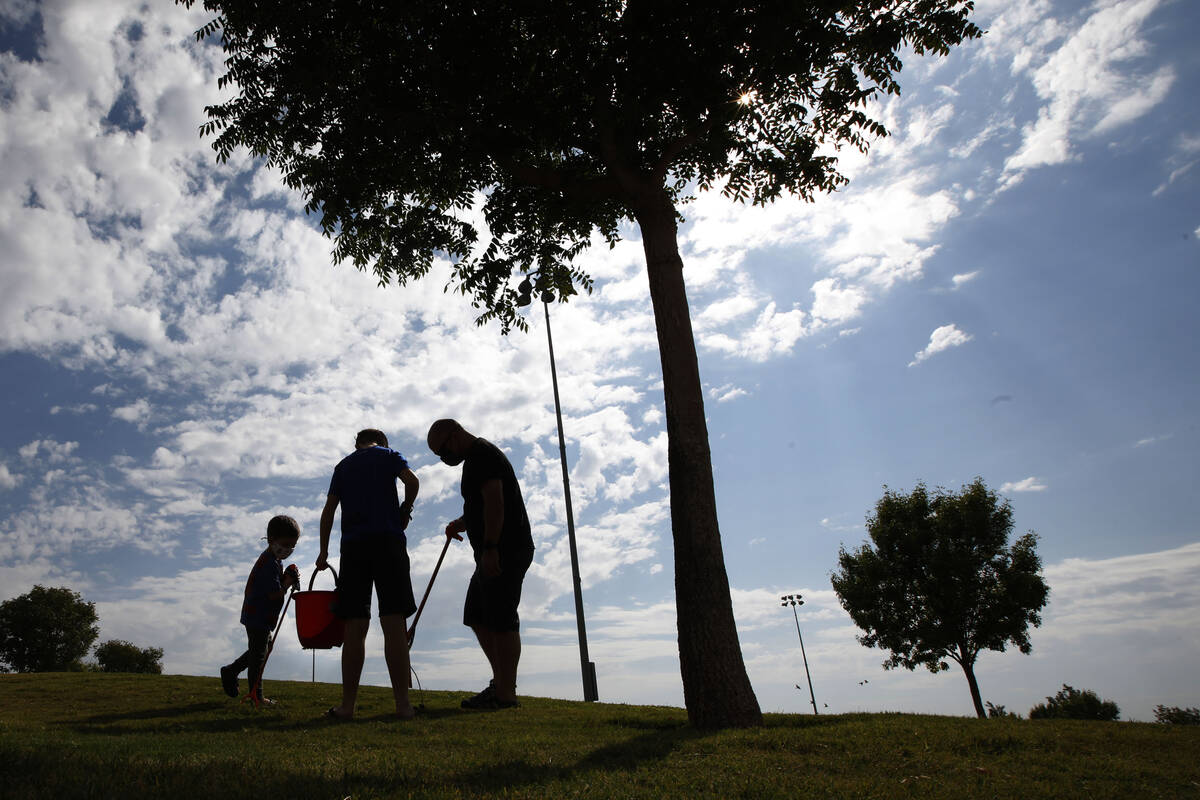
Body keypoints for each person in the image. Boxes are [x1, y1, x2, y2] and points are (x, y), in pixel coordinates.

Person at [427, 418, 534, 710]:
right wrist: (461, 523)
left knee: (501, 618)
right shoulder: (475, 460)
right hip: (492, 551)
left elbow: (496, 503)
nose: (443, 458)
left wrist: (490, 548)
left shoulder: (482, 455)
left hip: (504, 550)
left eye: (443, 450)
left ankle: (505, 694)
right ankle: (500, 684)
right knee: (476, 614)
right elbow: (482, 507)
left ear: (456, 434)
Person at [316, 428, 419, 720]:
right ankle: (403, 706)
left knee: (355, 627)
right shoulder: (388, 456)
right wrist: (405, 509)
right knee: (394, 622)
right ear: (382, 442)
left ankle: (347, 707)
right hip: (389, 542)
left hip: (354, 547)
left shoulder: (344, 466)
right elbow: (412, 481)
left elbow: (329, 511)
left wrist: (323, 552)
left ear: (356, 443)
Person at [221, 514, 301, 705]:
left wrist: (286, 577)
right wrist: (287, 584)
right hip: (258, 615)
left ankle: (231, 671)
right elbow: (273, 594)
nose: (288, 549)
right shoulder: (268, 563)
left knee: (261, 649)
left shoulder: (275, 561)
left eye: (292, 546)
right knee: (258, 655)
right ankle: (256, 695)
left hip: (262, 615)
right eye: (286, 544)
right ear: (272, 539)